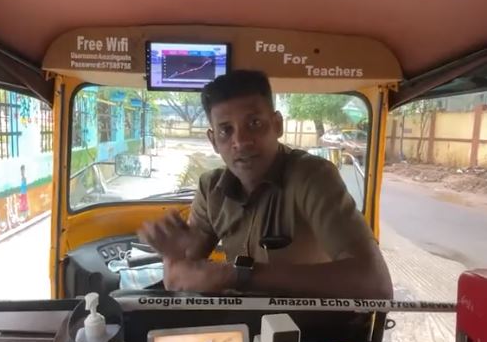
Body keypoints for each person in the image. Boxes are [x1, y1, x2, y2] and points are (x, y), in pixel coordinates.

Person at [138, 70, 393, 299]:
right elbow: (180, 282)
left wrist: (238, 275)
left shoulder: (312, 177)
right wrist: (172, 256)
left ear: (277, 125)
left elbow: (376, 283)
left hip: (308, 336)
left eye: (254, 124)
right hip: (238, 330)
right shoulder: (211, 188)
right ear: (213, 140)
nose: (241, 141)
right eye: (226, 130)